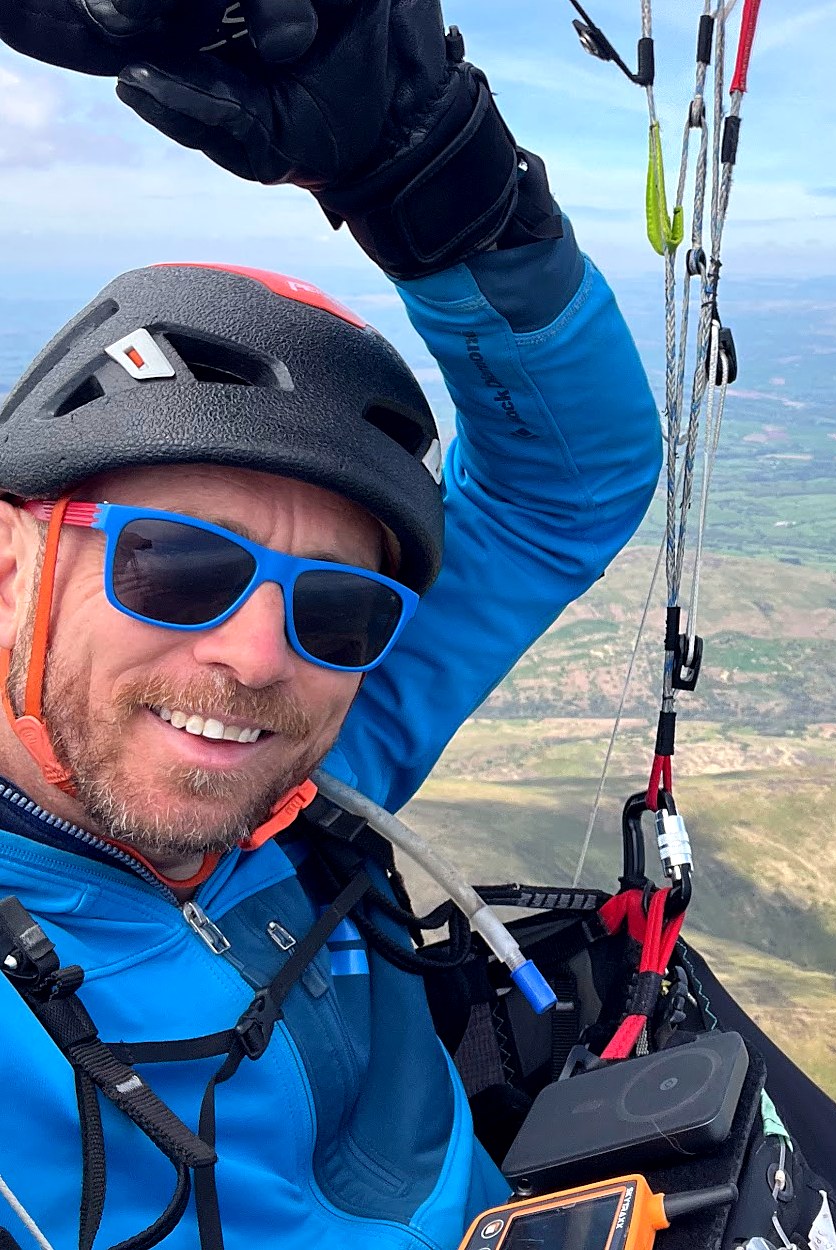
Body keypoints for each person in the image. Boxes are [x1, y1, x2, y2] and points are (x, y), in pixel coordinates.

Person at [0, 2, 661, 1247]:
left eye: (341, 608)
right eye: (176, 564)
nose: (256, 655)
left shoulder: (302, 781)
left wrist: (430, 168)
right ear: (9, 563)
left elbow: (566, 485)